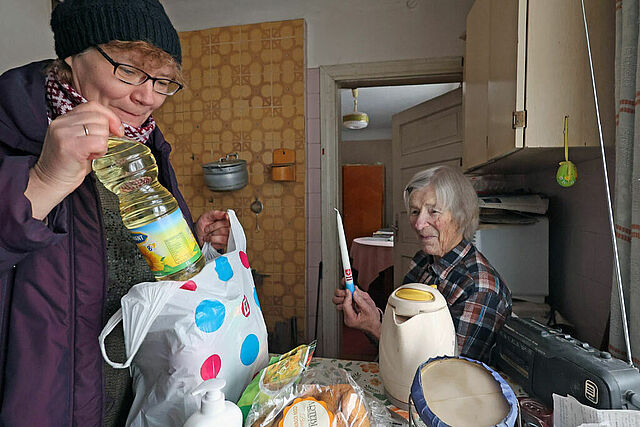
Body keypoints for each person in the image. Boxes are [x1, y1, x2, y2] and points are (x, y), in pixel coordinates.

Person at [0, 1, 230, 425]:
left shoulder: (146, 146)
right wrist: (45, 180)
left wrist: (187, 244)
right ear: (73, 54)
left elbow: (133, 263)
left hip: (132, 392)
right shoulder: (8, 127)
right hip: (40, 404)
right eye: (129, 70)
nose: (148, 97)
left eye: (163, 81)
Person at [333, 165, 512, 363]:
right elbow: (404, 334)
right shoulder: (422, 262)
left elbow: (444, 373)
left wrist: (374, 328)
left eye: (433, 211)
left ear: (462, 216)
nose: (418, 224)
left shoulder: (480, 288)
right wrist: (372, 314)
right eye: (415, 211)